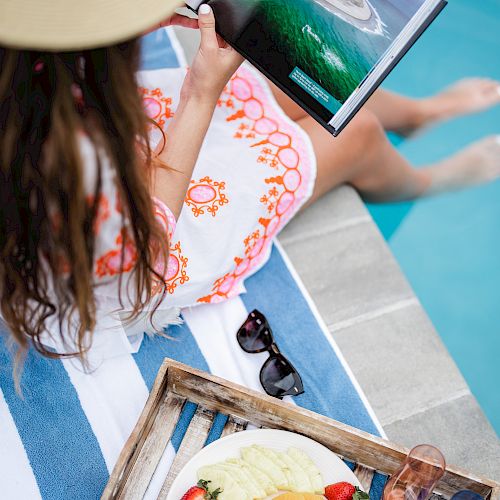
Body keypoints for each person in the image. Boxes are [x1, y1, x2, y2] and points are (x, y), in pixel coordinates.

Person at [0, 0, 498, 371]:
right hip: (137, 250)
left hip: (106, 140)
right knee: (359, 135)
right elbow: (149, 249)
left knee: (292, 84)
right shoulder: (64, 170)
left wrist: (130, 24)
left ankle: (417, 115)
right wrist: (201, 93)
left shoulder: (20, 73)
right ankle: (428, 182)